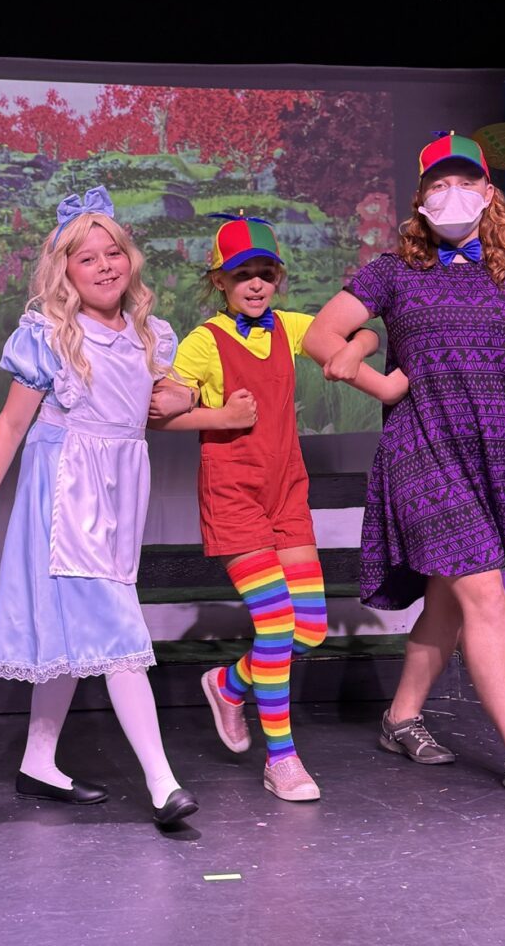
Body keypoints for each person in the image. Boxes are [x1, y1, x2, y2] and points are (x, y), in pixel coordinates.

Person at [304, 133, 505, 804]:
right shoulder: (392, 271)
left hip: (489, 451)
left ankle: (400, 718)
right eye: (437, 185)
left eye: (463, 181)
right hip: (420, 449)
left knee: (451, 598)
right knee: (486, 593)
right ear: (419, 201)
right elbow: (320, 336)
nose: (452, 194)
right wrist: (380, 381)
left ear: (488, 191)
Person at [0, 187, 254, 824]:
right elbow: (10, 427)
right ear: (64, 272)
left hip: (121, 489)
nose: (104, 266)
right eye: (85, 258)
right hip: (66, 492)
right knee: (119, 629)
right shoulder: (52, 335)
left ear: (131, 259)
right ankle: (161, 782)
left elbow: (142, 421)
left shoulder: (150, 335)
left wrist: (211, 413)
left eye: (112, 252)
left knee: (77, 632)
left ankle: (39, 761)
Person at [157, 213, 402, 801]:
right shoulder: (204, 342)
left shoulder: (290, 327)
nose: (257, 284)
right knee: (275, 623)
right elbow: (162, 411)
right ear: (219, 281)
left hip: (287, 492)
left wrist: (362, 345)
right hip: (234, 495)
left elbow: (358, 332)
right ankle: (282, 758)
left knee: (310, 630)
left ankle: (229, 683)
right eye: (244, 274)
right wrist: (219, 415)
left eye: (266, 273)